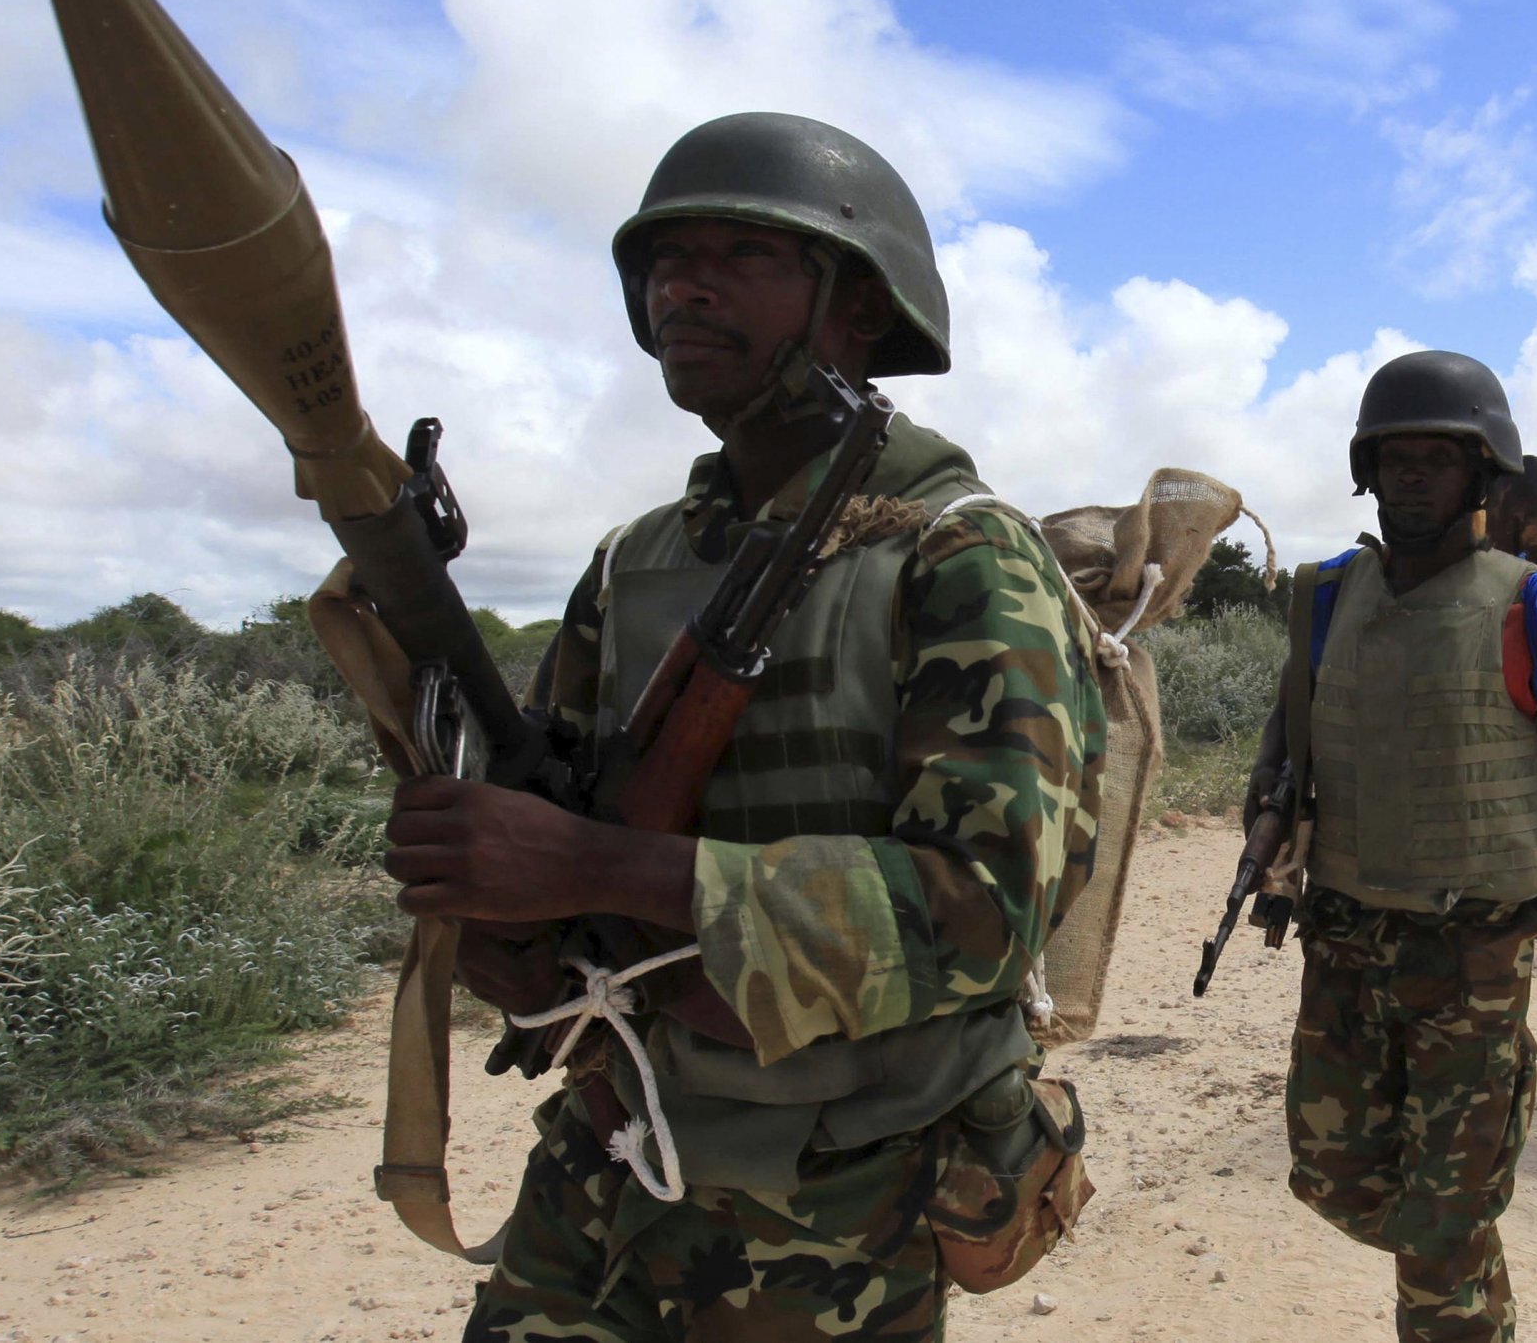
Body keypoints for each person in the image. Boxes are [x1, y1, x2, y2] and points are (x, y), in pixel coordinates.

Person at [382, 113, 1108, 1341]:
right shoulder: (637, 561)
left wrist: (596, 868)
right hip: (621, 1129)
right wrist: (511, 926)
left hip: (841, 1179)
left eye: (744, 254)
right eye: (665, 259)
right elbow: (557, 826)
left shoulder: (962, 552)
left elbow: (983, 910)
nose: (687, 284)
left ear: (860, 308)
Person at [1272, 351, 1537, 1342]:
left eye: (1437, 458)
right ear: (1365, 469)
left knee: (1442, 1226)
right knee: (1333, 1181)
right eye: (1393, 456)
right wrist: (1266, 842)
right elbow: (1286, 752)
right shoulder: (1322, 598)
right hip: (1345, 949)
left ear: (1484, 475)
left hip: (1471, 960)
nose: (1412, 474)